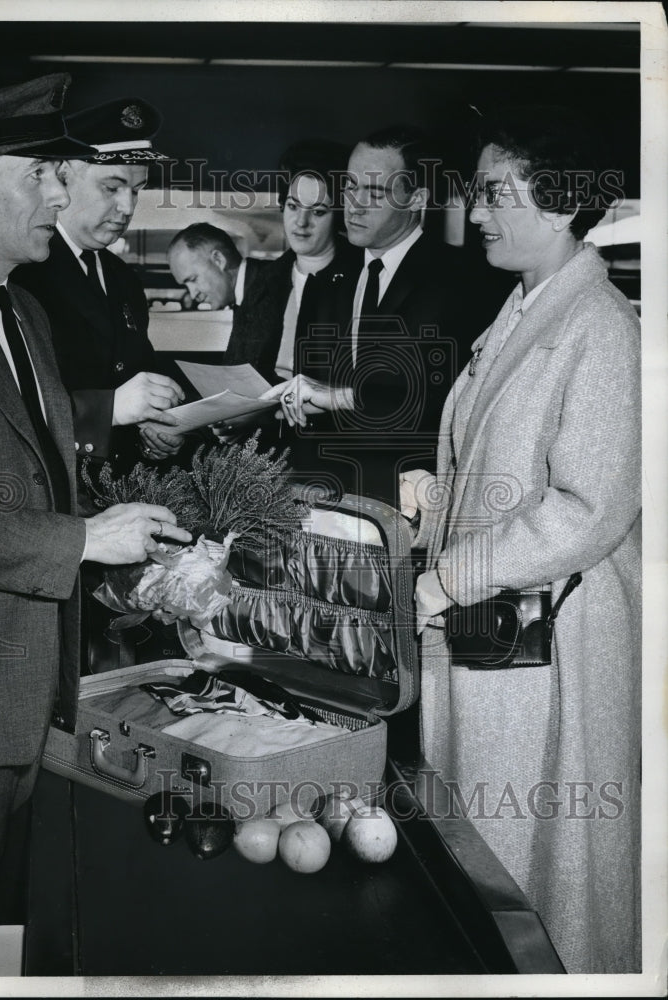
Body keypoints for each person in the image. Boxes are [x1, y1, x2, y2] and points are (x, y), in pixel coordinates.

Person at [0, 74, 192, 926]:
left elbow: (43, 481)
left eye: (64, 178)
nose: (59, 196)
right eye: (43, 176)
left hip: (37, 707)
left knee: (17, 943)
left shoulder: (23, 311)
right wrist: (85, 542)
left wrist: (134, 554)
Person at [407, 107, 640, 973]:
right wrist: (440, 502)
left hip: (552, 653)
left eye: (497, 195)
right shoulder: (523, 311)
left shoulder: (604, 330)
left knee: (542, 882)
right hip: (500, 643)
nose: (477, 215)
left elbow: (586, 509)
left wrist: (447, 574)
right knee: (489, 870)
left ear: (564, 202)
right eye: (478, 193)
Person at [264, 125, 508, 507]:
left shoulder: (464, 284)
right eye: (350, 187)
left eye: (375, 192)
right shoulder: (326, 282)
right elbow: (312, 410)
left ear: (417, 199)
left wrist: (333, 396)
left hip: (414, 508)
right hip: (327, 507)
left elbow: (431, 403)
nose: (354, 205)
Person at [13, 97, 187, 484]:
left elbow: (134, 372)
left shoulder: (121, 276)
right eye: (113, 187)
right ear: (63, 176)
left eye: (137, 190)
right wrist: (108, 410)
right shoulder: (22, 273)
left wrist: (154, 428)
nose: (127, 207)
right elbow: (7, 414)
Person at [211, 140, 359, 488]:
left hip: (329, 458)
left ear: (338, 215)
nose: (302, 222)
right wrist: (229, 418)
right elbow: (239, 369)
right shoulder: (266, 281)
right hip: (261, 452)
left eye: (318, 211)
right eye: (293, 206)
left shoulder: (361, 279)